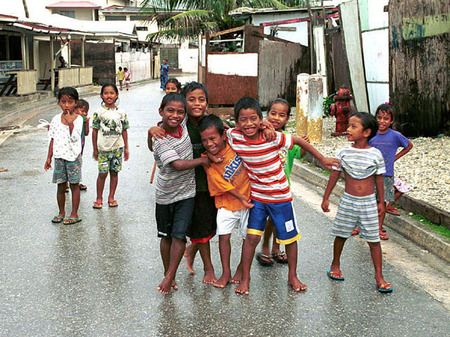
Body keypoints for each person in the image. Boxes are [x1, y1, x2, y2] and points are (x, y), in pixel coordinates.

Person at [227, 97, 339, 295]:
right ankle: (245, 278)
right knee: (251, 238)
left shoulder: (271, 137)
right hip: (258, 199)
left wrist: (322, 159)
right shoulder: (233, 136)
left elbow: (296, 141)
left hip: (281, 199)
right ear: (236, 122)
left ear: (260, 120)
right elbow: (216, 125)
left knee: (289, 238)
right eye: (243, 120)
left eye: (254, 119)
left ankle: (292, 275)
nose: (248, 124)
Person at [149, 82, 217, 284]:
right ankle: (207, 268)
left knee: (204, 227)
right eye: (191, 99)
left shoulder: (210, 123)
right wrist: (150, 130)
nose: (196, 103)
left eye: (201, 99)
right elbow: (158, 146)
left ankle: (189, 253)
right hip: (184, 189)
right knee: (194, 231)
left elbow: (229, 133)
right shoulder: (179, 124)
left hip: (207, 184)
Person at [321, 111, 393, 293]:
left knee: (374, 239)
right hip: (348, 201)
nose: (348, 130)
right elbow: (335, 175)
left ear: (366, 132)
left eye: (353, 126)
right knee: (341, 234)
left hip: (368, 202)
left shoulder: (375, 154)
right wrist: (326, 197)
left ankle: (379, 276)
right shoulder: (343, 152)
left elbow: (379, 180)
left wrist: (381, 202)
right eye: (348, 126)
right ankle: (335, 264)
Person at [198, 114, 253, 288]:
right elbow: (219, 182)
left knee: (248, 238)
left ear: (223, 135)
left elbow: (239, 129)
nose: (209, 144)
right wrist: (240, 197)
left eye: (213, 138)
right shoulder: (208, 160)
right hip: (226, 203)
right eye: (204, 141)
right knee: (223, 237)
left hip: (248, 201)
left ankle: (241, 268)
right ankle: (226, 272)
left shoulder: (235, 144)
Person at [255, 98, 308, 267]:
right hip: (263, 188)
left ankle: (276, 248)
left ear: (287, 118)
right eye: (273, 113)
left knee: (278, 219)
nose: (276, 118)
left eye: (281, 115)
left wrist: (305, 144)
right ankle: (265, 246)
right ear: (266, 114)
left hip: (283, 188)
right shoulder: (259, 136)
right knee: (268, 218)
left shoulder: (288, 139)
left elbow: (300, 154)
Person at [352, 103, 413, 239]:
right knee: (365, 201)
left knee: (383, 203)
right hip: (368, 174)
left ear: (391, 121)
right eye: (379, 118)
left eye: (386, 119)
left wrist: (394, 158)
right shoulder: (370, 134)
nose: (382, 121)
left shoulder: (395, 136)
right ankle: (359, 226)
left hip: (386, 174)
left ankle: (378, 229)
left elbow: (409, 145)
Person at [44, 87, 83, 225]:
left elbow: (75, 138)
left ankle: (74, 213)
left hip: (73, 158)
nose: (66, 105)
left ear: (76, 103)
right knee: (60, 185)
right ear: (59, 102)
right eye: (63, 101)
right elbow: (52, 138)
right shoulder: (55, 119)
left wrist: (70, 123)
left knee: (74, 185)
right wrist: (49, 157)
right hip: (59, 157)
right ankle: (61, 212)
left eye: (70, 102)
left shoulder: (78, 119)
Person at [92, 83, 129, 209]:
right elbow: (95, 131)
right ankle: (99, 198)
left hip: (117, 148)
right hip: (103, 149)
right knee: (102, 174)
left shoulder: (121, 112)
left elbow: (124, 130)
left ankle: (111, 197)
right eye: (106, 93)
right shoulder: (99, 112)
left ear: (116, 95)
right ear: (101, 96)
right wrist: (95, 149)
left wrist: (127, 148)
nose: (109, 95)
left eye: (112, 93)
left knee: (114, 173)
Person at [74, 99, 90, 191]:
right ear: (75, 110)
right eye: (82, 111)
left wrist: (86, 123)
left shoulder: (83, 120)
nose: (84, 114)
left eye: (86, 112)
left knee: (78, 164)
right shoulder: (71, 119)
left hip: (80, 147)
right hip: (70, 148)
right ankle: (66, 183)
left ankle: (77, 182)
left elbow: (87, 133)